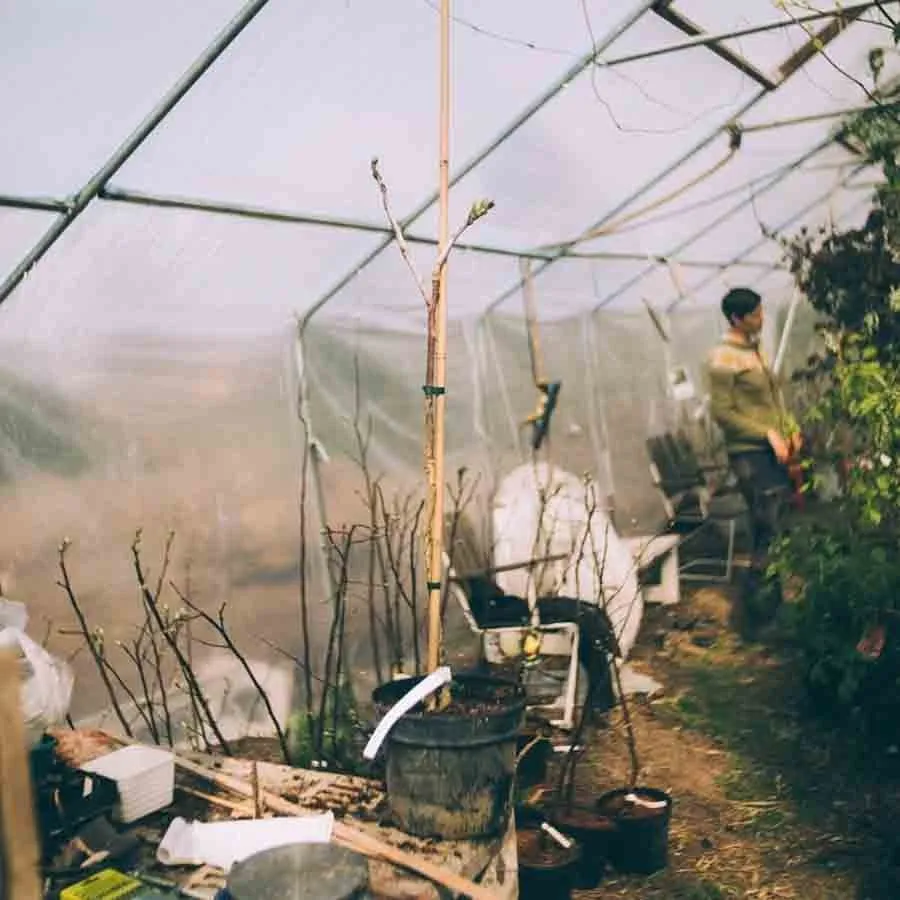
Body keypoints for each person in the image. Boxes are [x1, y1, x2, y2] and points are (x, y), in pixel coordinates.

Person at [707, 287, 801, 597]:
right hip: (749, 454)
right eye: (755, 314)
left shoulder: (754, 351)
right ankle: (759, 601)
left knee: (778, 523)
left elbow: (774, 399)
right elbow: (721, 412)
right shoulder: (723, 357)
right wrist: (766, 434)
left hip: (772, 451)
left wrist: (790, 428)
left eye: (761, 311)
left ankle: (773, 595)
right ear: (736, 318)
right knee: (766, 522)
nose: (761, 318)